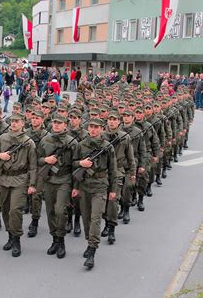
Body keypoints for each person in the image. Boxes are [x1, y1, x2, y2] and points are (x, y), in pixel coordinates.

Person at [72, 118, 118, 269]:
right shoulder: (81, 144)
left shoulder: (107, 147)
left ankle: (92, 250)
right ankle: (89, 241)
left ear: (102, 129)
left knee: (96, 217)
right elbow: (73, 164)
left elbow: (113, 170)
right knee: (86, 218)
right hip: (84, 186)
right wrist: (80, 164)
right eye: (91, 126)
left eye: (96, 127)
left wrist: (113, 190)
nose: (93, 130)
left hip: (100, 186)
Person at [0, 113, 37, 257]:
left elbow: (33, 166)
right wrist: (0, 156)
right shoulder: (3, 138)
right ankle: (10, 236)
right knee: (5, 209)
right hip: (5, 178)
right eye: (12, 121)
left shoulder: (28, 142)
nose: (13, 123)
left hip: (20, 179)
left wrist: (32, 184)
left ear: (23, 123)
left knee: (15, 210)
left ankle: (17, 239)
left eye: (17, 121)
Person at [37, 114, 78, 258]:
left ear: (65, 125)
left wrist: (75, 186)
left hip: (64, 180)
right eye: (54, 122)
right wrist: (45, 159)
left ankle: (61, 240)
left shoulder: (71, 142)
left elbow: (76, 165)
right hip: (49, 180)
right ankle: (54, 239)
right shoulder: (45, 140)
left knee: (60, 210)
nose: (56, 125)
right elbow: (37, 159)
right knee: (50, 212)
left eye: (59, 123)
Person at [101, 111, 135, 244]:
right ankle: (105, 223)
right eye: (110, 119)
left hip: (118, 172)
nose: (112, 121)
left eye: (114, 119)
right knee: (103, 202)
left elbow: (130, 157)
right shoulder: (101, 135)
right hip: (103, 173)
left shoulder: (125, 137)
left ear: (119, 122)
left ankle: (111, 229)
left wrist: (132, 173)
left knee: (113, 202)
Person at [25, 110, 49, 237]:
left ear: (42, 120)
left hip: (40, 168)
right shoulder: (25, 133)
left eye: (37, 118)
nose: (34, 120)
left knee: (36, 196)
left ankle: (35, 221)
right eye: (33, 118)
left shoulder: (46, 136)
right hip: (26, 167)